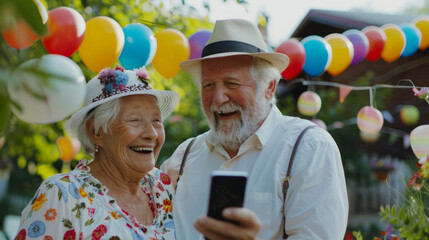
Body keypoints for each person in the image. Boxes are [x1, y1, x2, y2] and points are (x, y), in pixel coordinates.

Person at [161, 19, 349, 240]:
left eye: (232, 83)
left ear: (269, 88)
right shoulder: (182, 158)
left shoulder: (309, 147)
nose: (219, 98)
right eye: (208, 85)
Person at [14, 66, 179, 239]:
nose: (152, 133)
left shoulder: (163, 188)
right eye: (135, 120)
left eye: (156, 120)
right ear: (96, 132)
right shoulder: (63, 194)